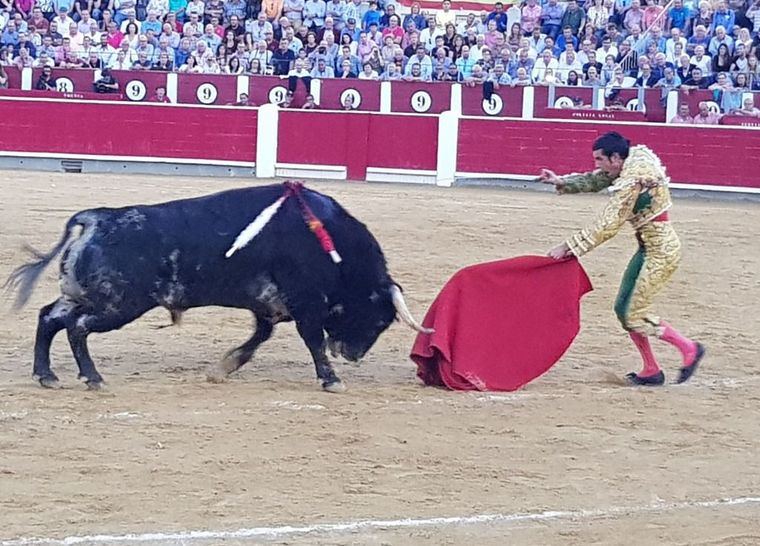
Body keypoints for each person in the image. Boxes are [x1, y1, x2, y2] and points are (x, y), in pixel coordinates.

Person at [538, 132, 705, 386]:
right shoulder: (633, 160)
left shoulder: (632, 182)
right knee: (623, 309)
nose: (597, 165)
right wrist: (561, 181)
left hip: (661, 252)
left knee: (634, 314)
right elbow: (600, 179)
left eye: (599, 159)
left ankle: (689, 348)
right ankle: (651, 369)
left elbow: (607, 226)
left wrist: (568, 247)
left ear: (615, 158)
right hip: (648, 249)